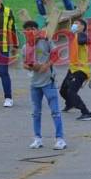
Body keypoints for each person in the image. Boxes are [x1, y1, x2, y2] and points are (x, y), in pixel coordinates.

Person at [23, 21, 67, 150]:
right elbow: (25, 64)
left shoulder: (46, 41)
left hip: (49, 82)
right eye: (27, 30)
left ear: (37, 30)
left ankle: (60, 139)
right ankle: (37, 139)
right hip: (34, 84)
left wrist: (46, 66)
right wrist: (31, 67)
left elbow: (56, 55)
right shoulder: (25, 47)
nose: (30, 31)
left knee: (55, 111)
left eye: (33, 29)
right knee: (36, 112)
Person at [59, 18, 91, 121]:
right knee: (63, 91)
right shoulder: (74, 36)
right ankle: (70, 103)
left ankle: (87, 113)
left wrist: (84, 40)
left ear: (82, 27)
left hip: (81, 70)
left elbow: (86, 40)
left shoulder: (81, 35)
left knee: (71, 92)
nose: (74, 25)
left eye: (76, 23)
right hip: (72, 69)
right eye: (73, 23)